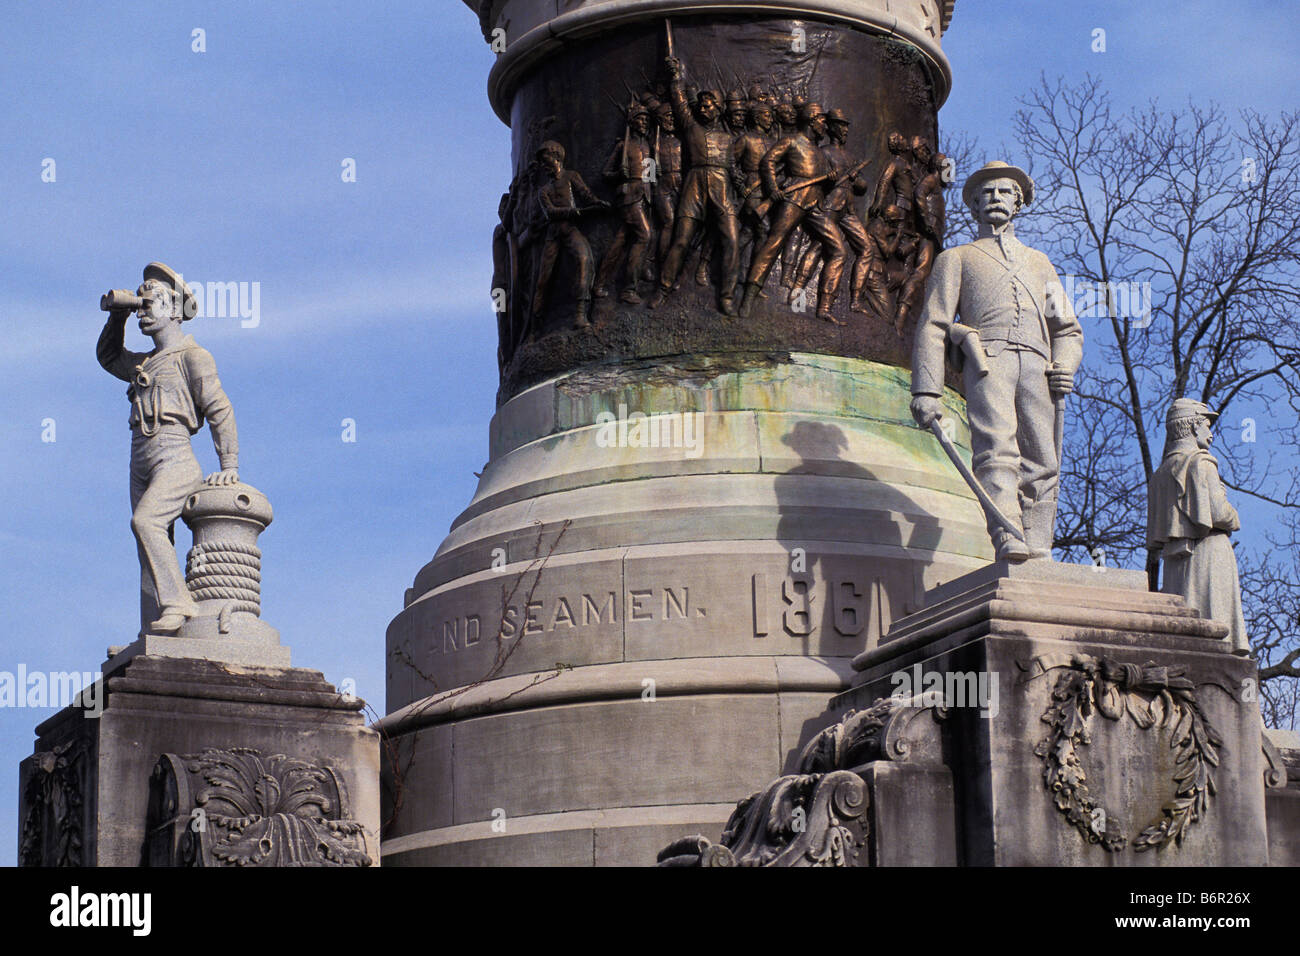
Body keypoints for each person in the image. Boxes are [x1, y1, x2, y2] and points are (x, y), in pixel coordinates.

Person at [910, 161, 1083, 560]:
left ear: (1018, 202)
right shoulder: (956, 258)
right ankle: (1007, 531)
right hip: (989, 360)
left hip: (1038, 366)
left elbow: (1067, 329)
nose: (995, 198)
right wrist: (926, 389)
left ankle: (1039, 541)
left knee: (1042, 457)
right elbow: (933, 324)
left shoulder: (1041, 264)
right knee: (996, 449)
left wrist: (1065, 365)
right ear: (972, 206)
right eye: (985, 193)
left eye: (1004, 192)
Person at [97, 262, 240, 634]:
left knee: (146, 522)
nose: (143, 310)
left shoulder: (193, 356)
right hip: (139, 455)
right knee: (148, 546)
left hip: (174, 453)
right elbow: (109, 357)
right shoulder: (143, 362)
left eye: (151, 303)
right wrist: (118, 318)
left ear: (175, 309)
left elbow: (219, 409)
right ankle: (153, 632)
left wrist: (229, 464)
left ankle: (179, 603)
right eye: (140, 304)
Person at [1147, 399, 1249, 654]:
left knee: (1184, 637)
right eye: (1206, 425)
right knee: (1217, 630)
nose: (1210, 433)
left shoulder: (1160, 475)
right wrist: (1234, 514)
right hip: (1210, 552)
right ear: (1192, 426)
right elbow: (1220, 514)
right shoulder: (1201, 463)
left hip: (1174, 563)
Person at [646, 56, 741, 315]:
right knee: (681, 240)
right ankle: (662, 289)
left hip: (721, 187)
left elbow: (733, 167)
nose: (703, 109)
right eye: (701, 105)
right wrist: (676, 76)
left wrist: (739, 182)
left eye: (708, 106)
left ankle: (727, 296)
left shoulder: (729, 138)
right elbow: (679, 103)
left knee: (731, 239)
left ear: (719, 109)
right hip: (695, 185)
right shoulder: (691, 128)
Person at [738, 101, 848, 323]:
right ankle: (748, 297)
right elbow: (768, 161)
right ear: (811, 119)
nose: (824, 126)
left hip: (815, 204)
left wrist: (831, 179)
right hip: (794, 200)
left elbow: (823, 181)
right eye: (822, 121)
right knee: (774, 243)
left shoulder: (818, 151)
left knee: (839, 249)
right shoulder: (791, 141)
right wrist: (773, 188)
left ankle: (824, 307)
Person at [532, 140, 608, 328]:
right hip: (554, 235)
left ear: (556, 156)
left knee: (584, 260)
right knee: (543, 279)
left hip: (570, 230)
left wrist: (598, 203)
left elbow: (585, 193)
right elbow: (550, 213)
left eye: (545, 159)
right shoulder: (544, 191)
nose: (543, 165)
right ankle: (535, 326)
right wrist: (576, 212)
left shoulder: (571, 176)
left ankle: (580, 314)